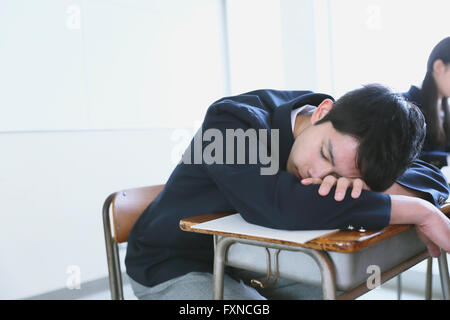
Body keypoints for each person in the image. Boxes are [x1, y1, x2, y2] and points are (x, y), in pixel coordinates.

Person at [125, 84, 450, 300]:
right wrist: (417, 211)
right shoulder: (230, 123)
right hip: (170, 266)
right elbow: (278, 205)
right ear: (322, 112)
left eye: (337, 176)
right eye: (325, 155)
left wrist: (367, 187)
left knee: (330, 292)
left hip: (247, 260)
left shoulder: (350, 134)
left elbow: (432, 177)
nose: (318, 176)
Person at [403, 36, 450, 168]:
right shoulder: (404, 106)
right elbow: (405, 158)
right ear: (439, 66)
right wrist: (446, 159)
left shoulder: (445, 110)